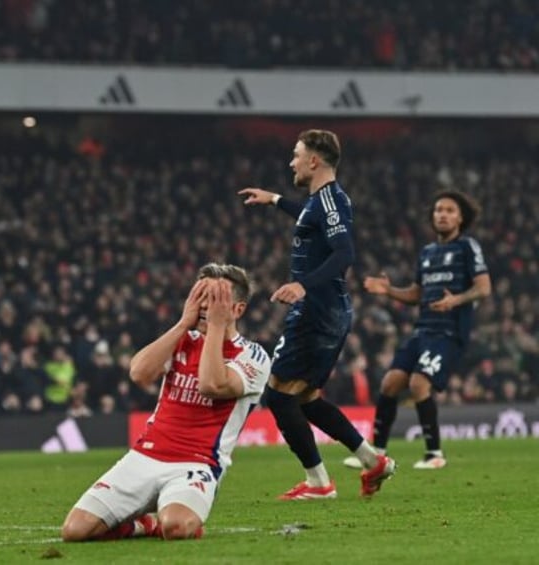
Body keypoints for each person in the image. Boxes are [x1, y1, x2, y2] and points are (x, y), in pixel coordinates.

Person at [61, 263, 270, 542]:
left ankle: (168, 516)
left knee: (175, 528)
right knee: (75, 531)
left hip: (197, 463)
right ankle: (142, 525)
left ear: (238, 309)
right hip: (145, 455)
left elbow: (211, 384)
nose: (207, 306)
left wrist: (216, 328)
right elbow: (138, 373)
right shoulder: (182, 338)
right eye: (202, 297)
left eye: (217, 299)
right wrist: (183, 323)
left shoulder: (253, 356)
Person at [238, 129, 394, 500]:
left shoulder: (329, 201)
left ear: (314, 160)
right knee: (305, 398)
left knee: (277, 396)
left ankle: (319, 483)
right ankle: (372, 460)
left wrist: (303, 285)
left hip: (318, 312)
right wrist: (274, 199)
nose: (291, 162)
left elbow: (344, 254)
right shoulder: (325, 200)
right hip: (329, 311)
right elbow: (309, 216)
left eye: (296, 154)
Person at [343, 190, 491, 470]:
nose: (443, 215)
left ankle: (435, 454)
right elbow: (417, 294)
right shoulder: (427, 252)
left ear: (460, 217)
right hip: (422, 331)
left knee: (418, 384)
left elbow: (484, 287)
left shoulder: (467, 247)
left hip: (449, 333)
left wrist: (455, 300)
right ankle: (376, 453)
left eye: (449, 210)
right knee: (389, 384)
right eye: (438, 210)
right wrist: (388, 291)